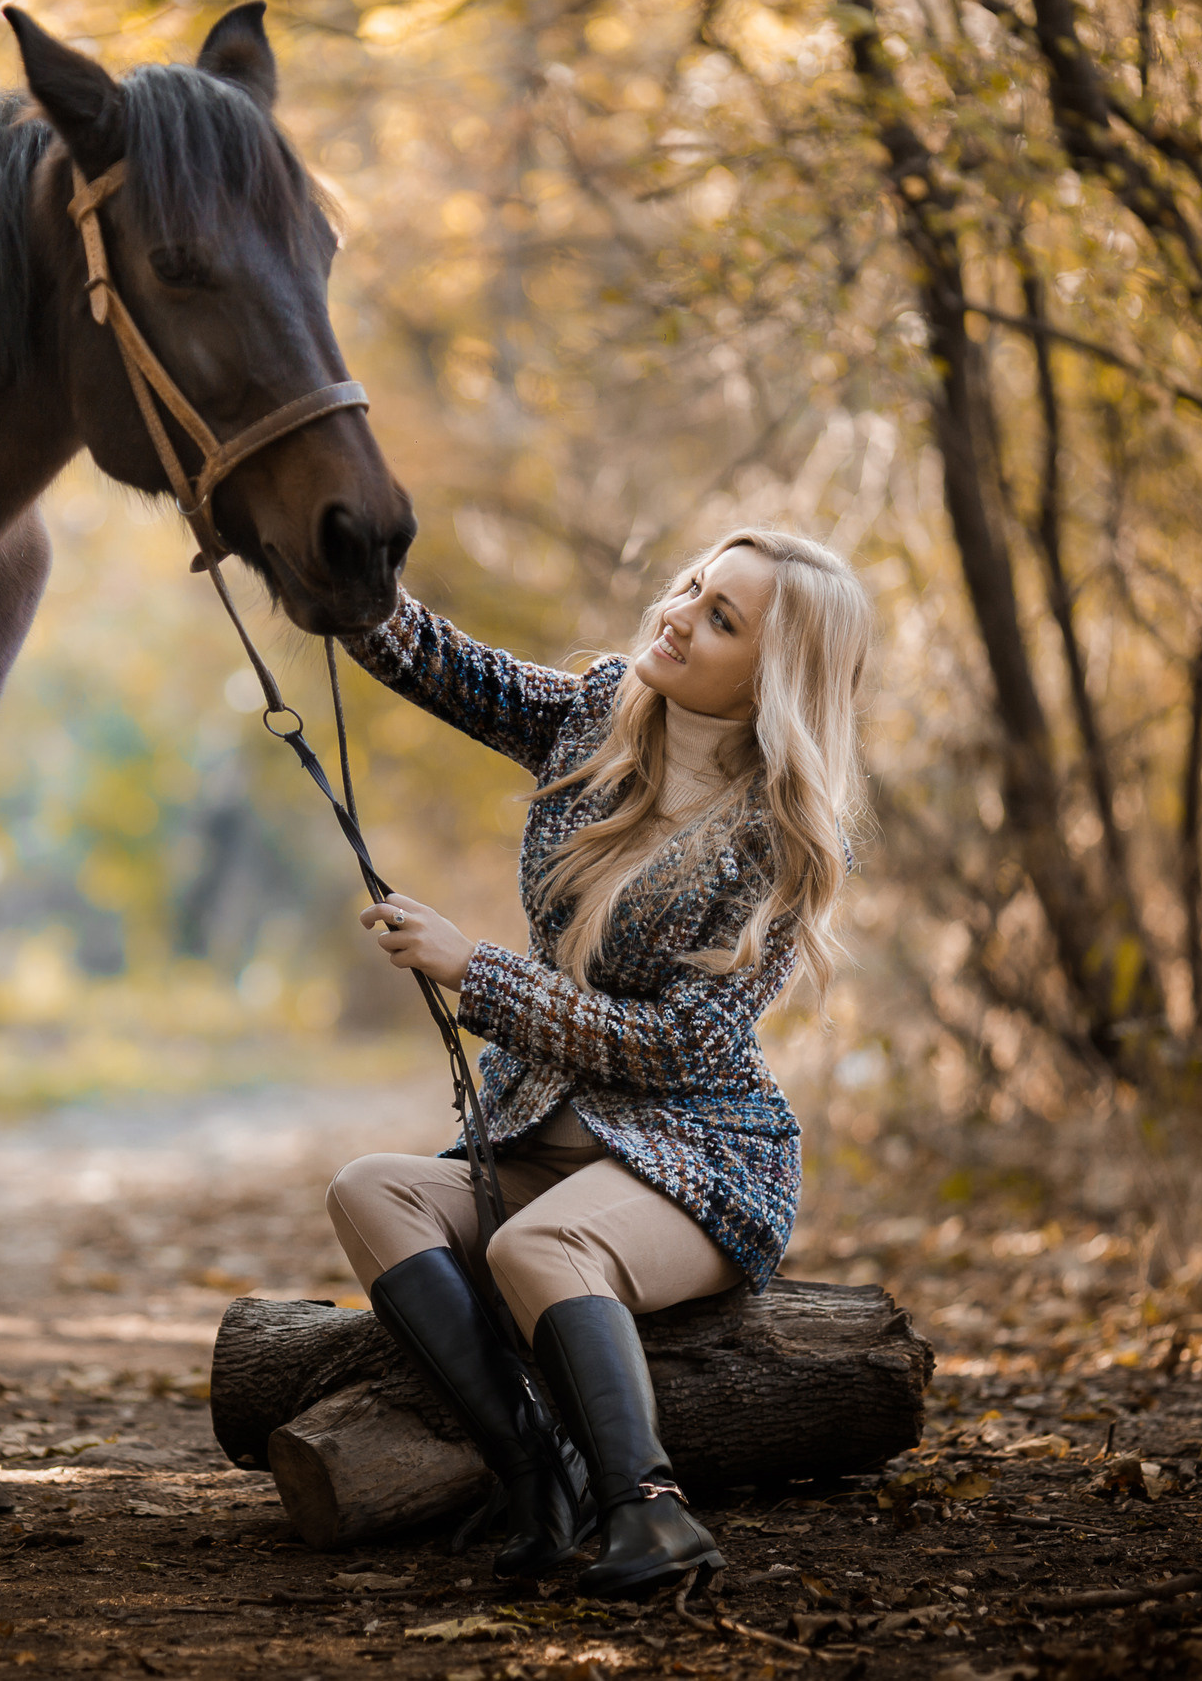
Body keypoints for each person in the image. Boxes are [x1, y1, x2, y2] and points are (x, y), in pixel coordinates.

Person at [325, 528, 870, 1594]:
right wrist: (330, 569)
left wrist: (476, 971)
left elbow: (677, 1045)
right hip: (541, 1141)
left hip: (699, 1161)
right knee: (371, 1191)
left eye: (720, 619)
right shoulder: (599, 711)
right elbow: (435, 660)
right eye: (692, 587)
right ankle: (537, 1472)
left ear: (774, 676)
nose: (678, 614)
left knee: (539, 1246)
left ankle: (651, 1514)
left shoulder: (786, 837)